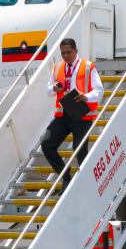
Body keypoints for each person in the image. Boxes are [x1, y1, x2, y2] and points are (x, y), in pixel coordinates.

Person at [40, 38, 103, 186]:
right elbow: (48, 90)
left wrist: (85, 96)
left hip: (82, 115)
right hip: (63, 115)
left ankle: (86, 183)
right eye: (63, 53)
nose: (66, 55)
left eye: (69, 52)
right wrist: (54, 88)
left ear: (76, 51)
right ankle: (66, 176)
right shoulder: (57, 68)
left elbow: (99, 90)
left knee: (79, 150)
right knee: (46, 144)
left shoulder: (88, 66)